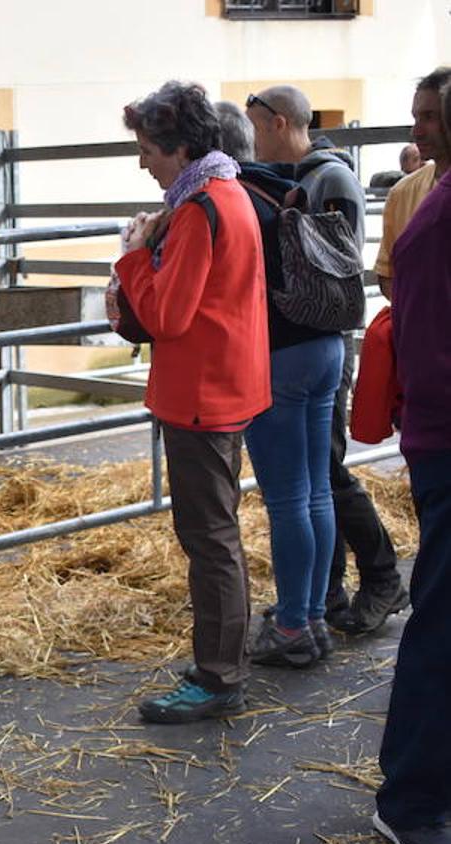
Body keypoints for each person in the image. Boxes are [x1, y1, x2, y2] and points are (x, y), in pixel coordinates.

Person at [115, 82, 270, 724]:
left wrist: (132, 257)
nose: (143, 162)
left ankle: (219, 677)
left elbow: (168, 316)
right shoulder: (223, 194)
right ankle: (220, 660)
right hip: (223, 385)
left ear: (179, 149)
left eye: (148, 149)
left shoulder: (199, 208)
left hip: (203, 393)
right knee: (215, 533)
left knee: (208, 537)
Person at [247, 85, 408, 634]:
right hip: (314, 337)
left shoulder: (327, 178)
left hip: (316, 336)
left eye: (256, 127)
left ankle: (382, 575)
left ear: (280, 122)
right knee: (316, 478)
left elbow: (327, 266)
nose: (252, 139)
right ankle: (324, 594)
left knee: (325, 474)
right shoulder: (301, 179)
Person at [216, 101, 344, 668]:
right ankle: (311, 614)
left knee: (289, 497)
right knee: (316, 490)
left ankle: (292, 626)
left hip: (281, 355)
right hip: (325, 342)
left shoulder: (232, 200)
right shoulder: (290, 182)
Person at [372, 82, 451, 844]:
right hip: (447, 443)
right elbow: (427, 350)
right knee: (442, 623)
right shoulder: (433, 214)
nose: (417, 128)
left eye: (431, 115)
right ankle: (412, 800)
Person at [374, 70, 449, 305]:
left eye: (429, 117)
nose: (416, 131)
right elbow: (388, 276)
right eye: (416, 118)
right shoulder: (402, 193)